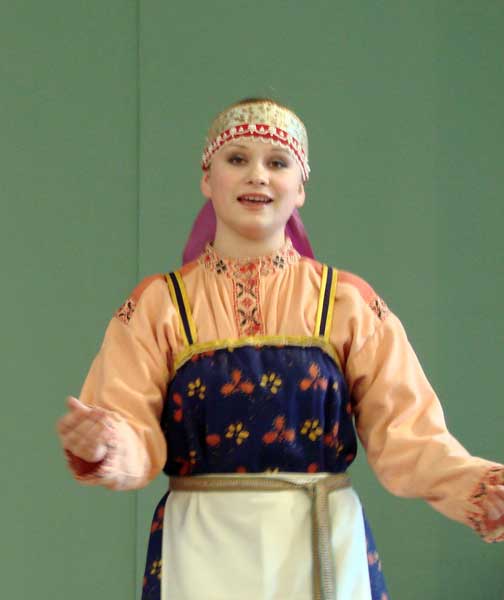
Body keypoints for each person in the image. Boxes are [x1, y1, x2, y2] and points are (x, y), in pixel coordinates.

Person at [57, 97, 504, 600]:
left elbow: (409, 435)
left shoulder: (346, 302)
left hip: (320, 542)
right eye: (237, 159)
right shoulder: (159, 305)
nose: (258, 175)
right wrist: (109, 444)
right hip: (201, 547)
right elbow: (130, 422)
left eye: (277, 162)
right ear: (207, 178)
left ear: (301, 186)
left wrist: (479, 488)